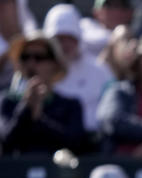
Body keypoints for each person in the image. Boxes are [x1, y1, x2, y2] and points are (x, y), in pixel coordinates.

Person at [0, 30, 85, 155]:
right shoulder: (7, 101)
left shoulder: (70, 105)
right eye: (25, 57)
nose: (31, 63)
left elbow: (76, 144)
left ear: (55, 64)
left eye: (39, 57)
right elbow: (7, 140)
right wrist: (26, 107)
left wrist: (38, 117)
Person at [43, 3, 114, 136]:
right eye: (59, 39)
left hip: (94, 147)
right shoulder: (36, 70)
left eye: (69, 38)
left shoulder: (100, 70)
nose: (65, 45)